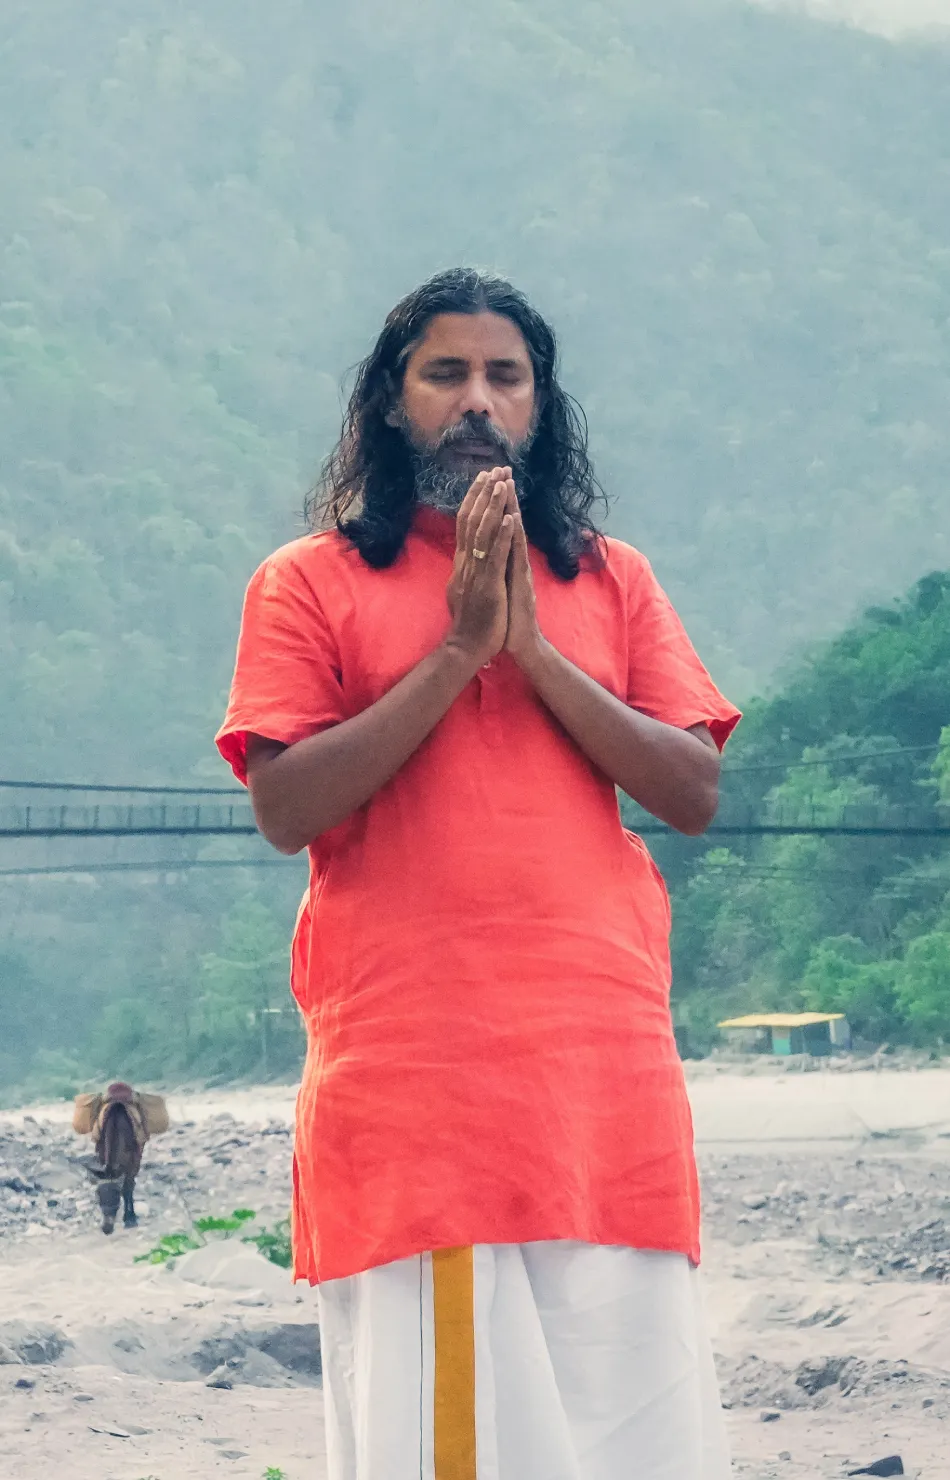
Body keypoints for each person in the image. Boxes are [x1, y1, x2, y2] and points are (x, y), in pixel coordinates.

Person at [216, 268, 741, 1480]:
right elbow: (285, 807)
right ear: (388, 407)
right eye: (442, 373)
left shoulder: (613, 578)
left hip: (606, 1086)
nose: (475, 401)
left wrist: (534, 657)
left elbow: (689, 792)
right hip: (423, 1092)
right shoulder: (309, 580)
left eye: (505, 376)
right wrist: (457, 651)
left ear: (541, 407)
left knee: (637, 1434)